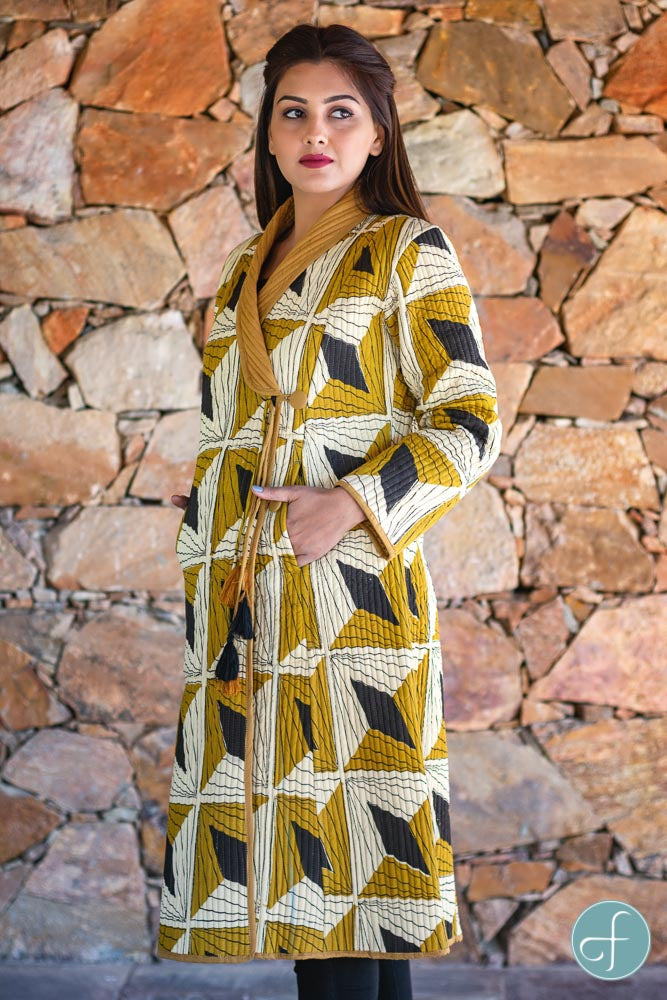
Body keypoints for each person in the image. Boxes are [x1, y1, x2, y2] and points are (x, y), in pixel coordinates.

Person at [156, 22, 502, 1000]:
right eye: (294, 112)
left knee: (348, 888)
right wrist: (212, 529)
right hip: (246, 614)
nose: (316, 132)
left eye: (340, 113)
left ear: (378, 132)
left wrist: (351, 503)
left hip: (353, 610)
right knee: (334, 913)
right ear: (268, 135)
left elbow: (469, 419)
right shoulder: (244, 269)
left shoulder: (405, 252)